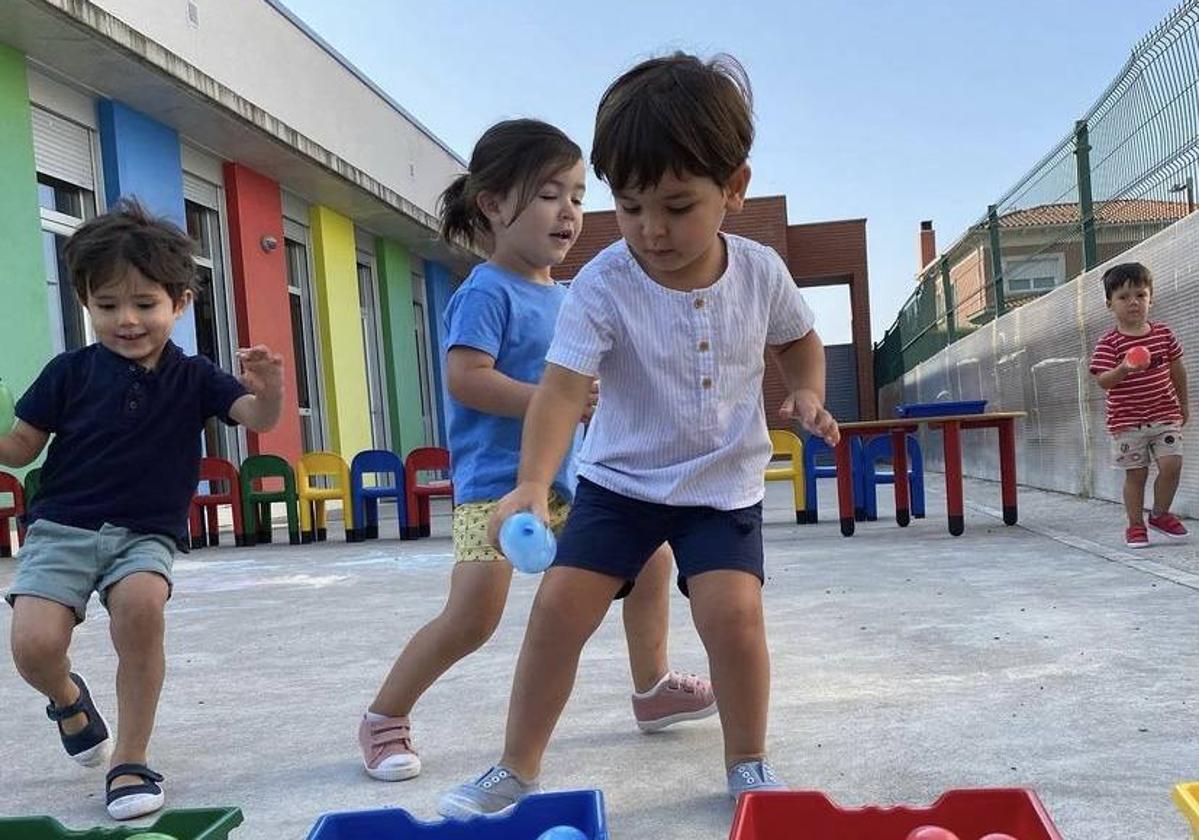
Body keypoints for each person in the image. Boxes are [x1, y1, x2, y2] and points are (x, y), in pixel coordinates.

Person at [438, 54, 840, 818]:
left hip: (721, 488)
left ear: (734, 188)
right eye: (627, 207)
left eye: (676, 206)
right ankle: (512, 769)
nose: (650, 231)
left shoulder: (759, 272)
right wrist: (530, 482)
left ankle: (748, 762)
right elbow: (558, 393)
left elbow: (797, 341)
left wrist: (808, 391)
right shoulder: (600, 283)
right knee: (558, 609)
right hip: (618, 487)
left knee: (732, 614)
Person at [358, 119, 715, 784]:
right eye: (550, 194)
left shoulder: (571, 296)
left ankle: (651, 687)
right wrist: (548, 400)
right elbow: (465, 379)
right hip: (496, 488)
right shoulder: (486, 290)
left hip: (573, 483)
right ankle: (384, 717)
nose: (569, 212)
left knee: (653, 558)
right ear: (493, 204)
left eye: (578, 196)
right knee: (472, 617)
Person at [0, 199, 284, 820]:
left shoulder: (197, 376)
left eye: (145, 304)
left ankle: (130, 760)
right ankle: (70, 701)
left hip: (143, 534)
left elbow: (256, 419)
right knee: (33, 647)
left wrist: (271, 392)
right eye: (107, 306)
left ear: (179, 302)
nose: (126, 320)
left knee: (141, 607)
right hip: (61, 527)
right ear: (85, 302)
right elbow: (22, 448)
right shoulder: (69, 372)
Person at [1089, 261, 1189, 548]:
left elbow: (1177, 371)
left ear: (1150, 298)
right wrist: (1123, 369)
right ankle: (1135, 526)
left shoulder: (1163, 335)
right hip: (1126, 422)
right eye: (1123, 297)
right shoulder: (1109, 343)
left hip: (1164, 415)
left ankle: (1159, 514)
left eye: (1140, 295)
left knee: (1172, 464)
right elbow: (1103, 381)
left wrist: (1184, 406)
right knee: (1137, 474)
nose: (1133, 303)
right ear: (1110, 304)